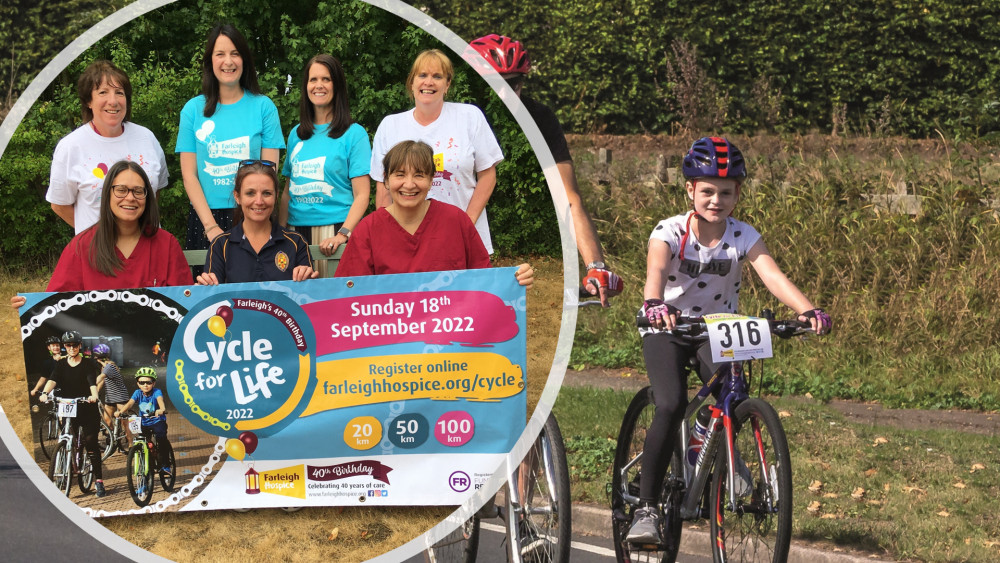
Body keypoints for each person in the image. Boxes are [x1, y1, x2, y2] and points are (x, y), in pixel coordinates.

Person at [625, 137, 832, 544]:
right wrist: (653, 302)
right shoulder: (669, 230)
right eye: (706, 191)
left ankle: (712, 441)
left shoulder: (743, 234)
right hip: (668, 327)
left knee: (732, 393)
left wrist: (807, 310)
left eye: (725, 192)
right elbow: (656, 267)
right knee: (669, 402)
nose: (715, 200)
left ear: (737, 193)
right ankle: (646, 507)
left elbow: (772, 275)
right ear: (690, 190)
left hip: (718, 328)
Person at [470, 34, 623, 306]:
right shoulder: (459, 115)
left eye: (513, 83)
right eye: (493, 84)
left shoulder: (540, 118)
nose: (504, 93)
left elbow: (569, 198)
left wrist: (595, 265)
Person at [336, 140, 532, 287]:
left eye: (419, 175)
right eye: (400, 174)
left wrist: (515, 280)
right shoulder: (368, 230)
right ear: (386, 180)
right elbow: (349, 293)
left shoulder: (456, 221)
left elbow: (484, 281)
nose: (409, 184)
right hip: (390, 334)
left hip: (452, 334)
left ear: (431, 180)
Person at [10, 160, 192, 314]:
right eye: (121, 190)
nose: (130, 198)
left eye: (138, 191)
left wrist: (207, 288)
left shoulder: (166, 244)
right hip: (99, 352)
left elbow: (185, 303)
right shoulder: (81, 246)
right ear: (108, 194)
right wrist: (30, 307)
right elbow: (56, 307)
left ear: (147, 197)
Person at [369, 49, 503, 254]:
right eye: (422, 75)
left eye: (437, 76)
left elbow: (488, 175)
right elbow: (383, 189)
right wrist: (388, 235)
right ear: (411, 82)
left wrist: (465, 226)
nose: (428, 82)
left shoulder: (469, 117)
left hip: (464, 239)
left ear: (447, 84)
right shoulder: (390, 126)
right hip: (406, 242)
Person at [176, 23, 284, 252]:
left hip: (254, 215)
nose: (228, 61)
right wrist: (210, 227)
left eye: (235, 53)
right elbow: (189, 175)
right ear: (210, 61)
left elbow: (269, 172)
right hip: (206, 220)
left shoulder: (264, 107)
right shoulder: (192, 110)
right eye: (220, 54)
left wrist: (253, 215)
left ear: (244, 60)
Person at [46, 60, 168, 234]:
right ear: (88, 100)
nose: (113, 101)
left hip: (147, 249)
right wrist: (101, 237)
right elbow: (59, 205)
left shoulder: (147, 138)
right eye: (103, 92)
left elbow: (155, 192)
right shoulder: (71, 146)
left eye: (119, 93)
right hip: (98, 254)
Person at [280, 54, 371, 270]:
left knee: (334, 302)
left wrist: (343, 234)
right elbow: (286, 191)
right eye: (313, 80)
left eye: (326, 79)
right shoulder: (296, 134)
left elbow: (362, 195)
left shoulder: (354, 134)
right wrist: (280, 232)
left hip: (335, 233)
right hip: (295, 235)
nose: (318, 85)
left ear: (337, 85)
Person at [196, 160, 317, 285]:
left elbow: (308, 296)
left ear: (276, 197)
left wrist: (309, 281)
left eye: (266, 193)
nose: (259, 201)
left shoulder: (296, 242)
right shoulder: (221, 245)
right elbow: (213, 298)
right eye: (250, 193)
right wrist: (203, 289)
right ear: (237, 197)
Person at [38, 331, 106, 497]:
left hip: (86, 406)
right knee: (69, 436)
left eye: (75, 345)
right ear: (65, 347)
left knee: (91, 442)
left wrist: (94, 395)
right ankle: (69, 459)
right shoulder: (60, 364)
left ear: (80, 346)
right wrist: (45, 393)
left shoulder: (88, 363)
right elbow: (53, 379)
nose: (72, 348)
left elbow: (91, 381)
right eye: (68, 345)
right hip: (69, 407)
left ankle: (98, 481)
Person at [115, 367, 171, 482]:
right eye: (142, 382)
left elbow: (160, 400)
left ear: (153, 383)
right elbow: (130, 403)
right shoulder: (137, 393)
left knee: (161, 439)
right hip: (143, 422)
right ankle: (147, 463)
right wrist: (121, 412)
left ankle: (165, 465)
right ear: (138, 384)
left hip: (157, 421)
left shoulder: (157, 392)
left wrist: (162, 409)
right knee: (142, 441)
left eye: (148, 382)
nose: (145, 385)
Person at [92, 343, 128, 430]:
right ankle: (113, 438)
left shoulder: (109, 367)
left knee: (125, 423)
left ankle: (130, 443)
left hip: (120, 397)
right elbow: (101, 382)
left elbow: (98, 379)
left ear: (97, 358)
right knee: (107, 421)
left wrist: (88, 386)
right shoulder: (105, 367)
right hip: (110, 397)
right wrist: (95, 392)